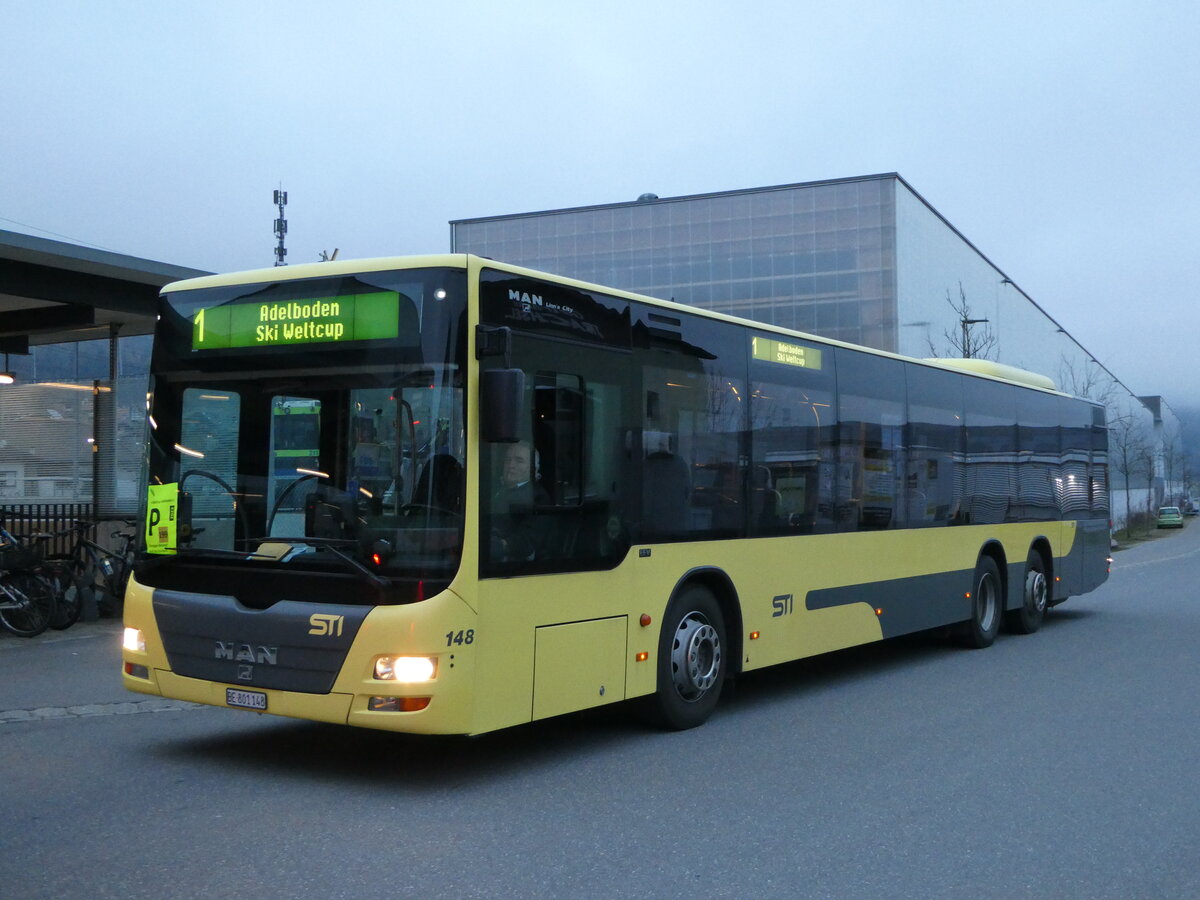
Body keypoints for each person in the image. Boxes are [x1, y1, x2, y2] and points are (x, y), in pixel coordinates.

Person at [490, 441, 548, 561]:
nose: (511, 465)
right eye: (508, 460)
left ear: (534, 469)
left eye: (519, 461)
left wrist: (500, 545)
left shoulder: (538, 497)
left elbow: (527, 542)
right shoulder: (495, 489)